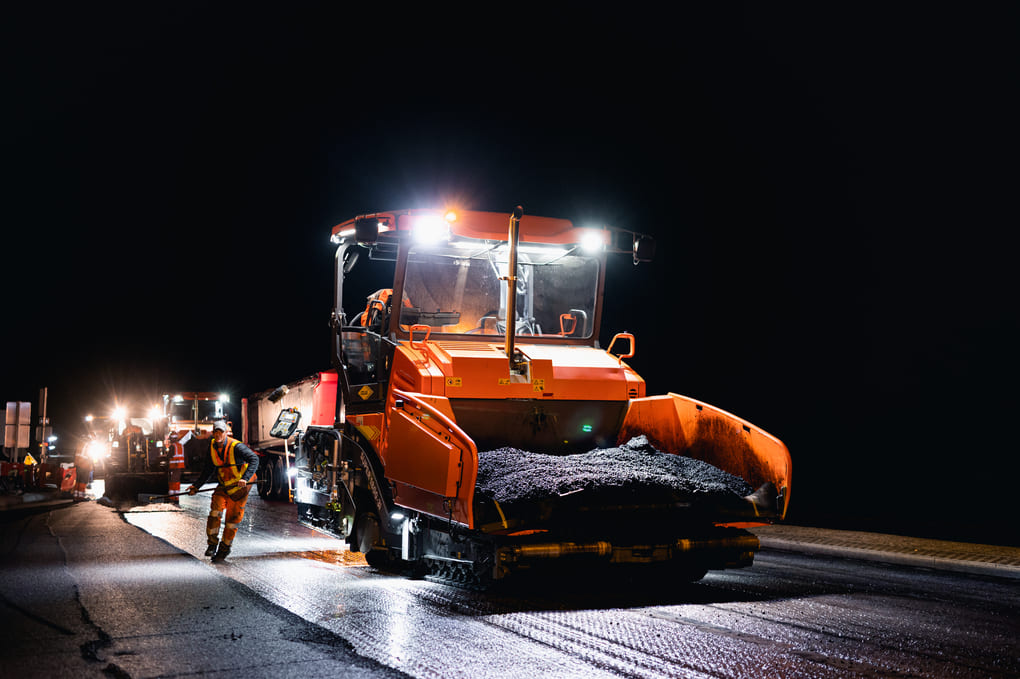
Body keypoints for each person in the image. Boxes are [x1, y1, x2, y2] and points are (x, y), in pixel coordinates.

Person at [186, 420, 258, 562]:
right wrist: (196, 486)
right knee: (214, 512)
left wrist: (245, 478)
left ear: (225, 433)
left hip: (239, 489)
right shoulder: (212, 447)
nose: (218, 435)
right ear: (213, 433)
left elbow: (254, 458)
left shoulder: (236, 447)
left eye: (221, 432)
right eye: (216, 432)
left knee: (232, 521)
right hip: (224, 486)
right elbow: (208, 469)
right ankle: (212, 544)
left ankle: (224, 548)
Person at [165, 431, 189, 503]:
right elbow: (185, 456)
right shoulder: (181, 445)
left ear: (172, 438)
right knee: (177, 482)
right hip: (179, 467)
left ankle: (171, 497)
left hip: (173, 467)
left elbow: (169, 456)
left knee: (172, 482)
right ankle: (176, 497)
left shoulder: (173, 446)